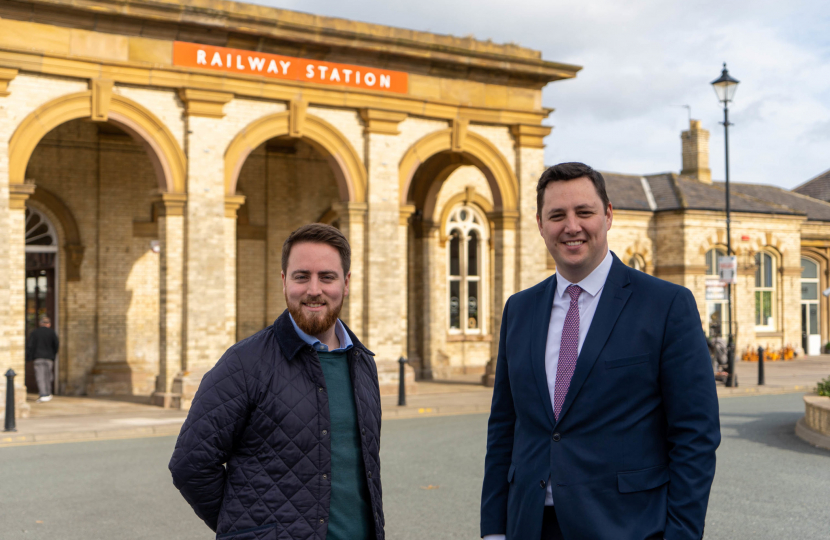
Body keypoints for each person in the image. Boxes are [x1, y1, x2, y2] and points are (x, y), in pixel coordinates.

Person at [480, 163, 720, 540]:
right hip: (529, 525)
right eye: (556, 215)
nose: (571, 226)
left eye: (584, 212)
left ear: (608, 215)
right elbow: (504, 428)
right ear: (540, 225)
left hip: (626, 525)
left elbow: (695, 435)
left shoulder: (666, 305)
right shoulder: (519, 310)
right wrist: (493, 530)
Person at [169, 223, 384, 540]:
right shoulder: (244, 363)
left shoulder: (363, 363)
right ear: (284, 282)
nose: (314, 289)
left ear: (346, 283)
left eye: (327, 276)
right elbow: (191, 465)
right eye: (301, 276)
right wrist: (248, 530)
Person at [26, 316, 59, 402]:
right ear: (49, 324)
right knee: (48, 376)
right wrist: (53, 356)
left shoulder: (35, 332)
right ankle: (48, 393)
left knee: (40, 376)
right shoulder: (52, 332)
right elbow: (56, 345)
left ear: (41, 324)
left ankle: (43, 394)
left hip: (38, 357)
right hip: (49, 358)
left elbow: (30, 345)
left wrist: (29, 357)